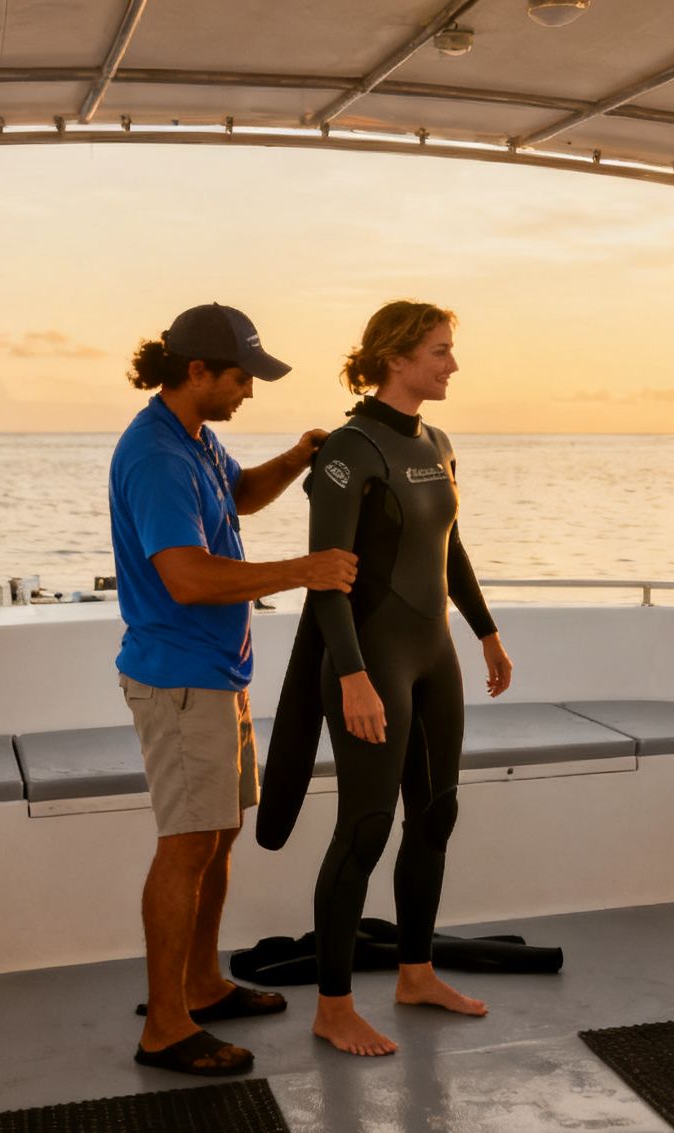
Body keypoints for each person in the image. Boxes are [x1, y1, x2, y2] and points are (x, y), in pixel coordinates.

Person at [110, 303, 357, 1077]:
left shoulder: (196, 440)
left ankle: (204, 984)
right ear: (197, 372)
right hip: (180, 679)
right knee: (187, 846)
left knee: (217, 836)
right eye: (241, 376)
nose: (249, 389)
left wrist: (295, 458)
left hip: (217, 674)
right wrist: (301, 571)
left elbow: (238, 498)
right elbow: (183, 576)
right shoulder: (154, 455)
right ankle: (166, 1029)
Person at [292, 301, 513, 1057]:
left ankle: (415, 973)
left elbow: (448, 547)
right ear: (396, 358)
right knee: (366, 828)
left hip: (436, 654)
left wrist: (485, 631)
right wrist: (351, 676)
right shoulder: (349, 452)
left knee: (437, 814)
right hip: (370, 659)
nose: (453, 364)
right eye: (441, 351)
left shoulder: (440, 442)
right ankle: (332, 1005)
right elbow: (327, 582)